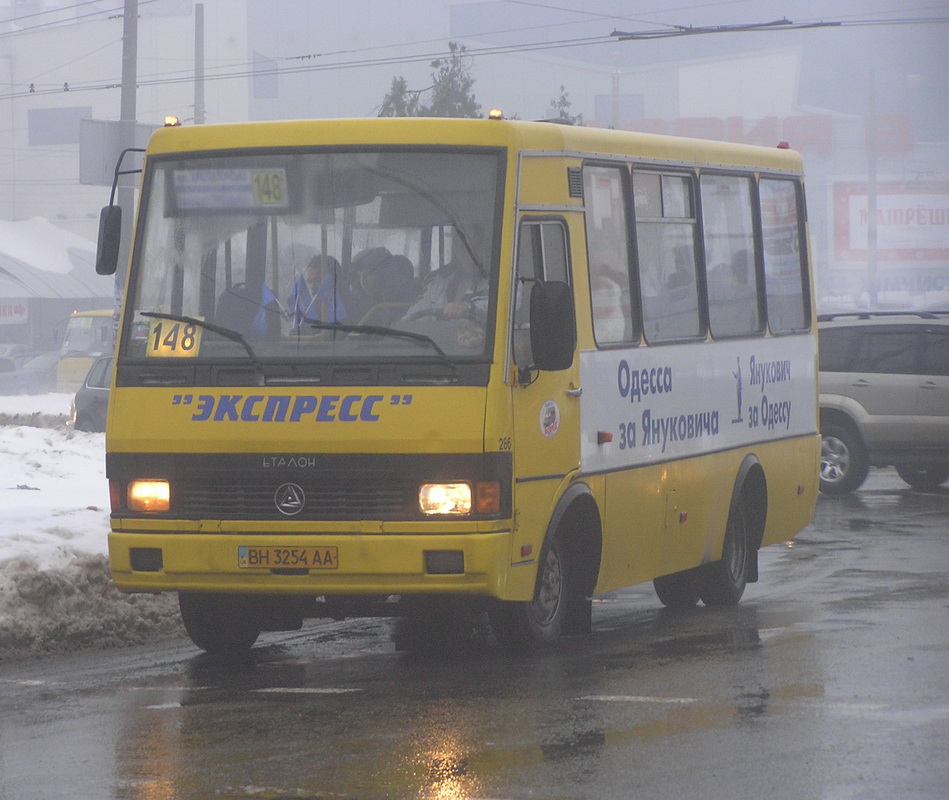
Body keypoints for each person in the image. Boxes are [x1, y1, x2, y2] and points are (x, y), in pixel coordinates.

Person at [403, 241, 487, 321]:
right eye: (464, 248)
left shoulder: (496, 281)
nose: (470, 253)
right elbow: (415, 314)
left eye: (476, 249)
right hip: (436, 335)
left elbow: (491, 305)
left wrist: (466, 307)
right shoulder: (438, 281)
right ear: (457, 251)